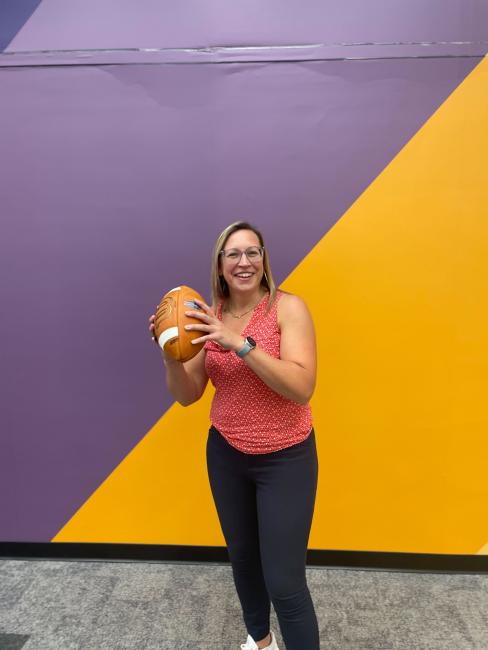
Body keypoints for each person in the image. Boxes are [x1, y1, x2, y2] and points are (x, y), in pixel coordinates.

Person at [149, 221, 320, 650]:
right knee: (244, 563)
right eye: (233, 254)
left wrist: (240, 343)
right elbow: (188, 395)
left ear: (264, 260)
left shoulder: (287, 308)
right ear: (220, 265)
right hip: (226, 453)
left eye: (252, 252)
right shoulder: (209, 316)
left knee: (284, 582)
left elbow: (301, 387)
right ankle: (260, 643)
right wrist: (171, 353)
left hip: (286, 457)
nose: (244, 262)